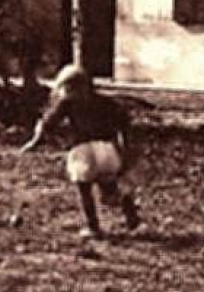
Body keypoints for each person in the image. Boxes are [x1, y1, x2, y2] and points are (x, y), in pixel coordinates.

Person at [19, 65, 142, 238]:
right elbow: (124, 124)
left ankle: (93, 227)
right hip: (107, 150)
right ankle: (127, 207)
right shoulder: (105, 102)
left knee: (84, 189)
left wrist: (34, 142)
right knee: (108, 185)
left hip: (83, 151)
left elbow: (47, 124)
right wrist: (125, 149)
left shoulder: (67, 104)